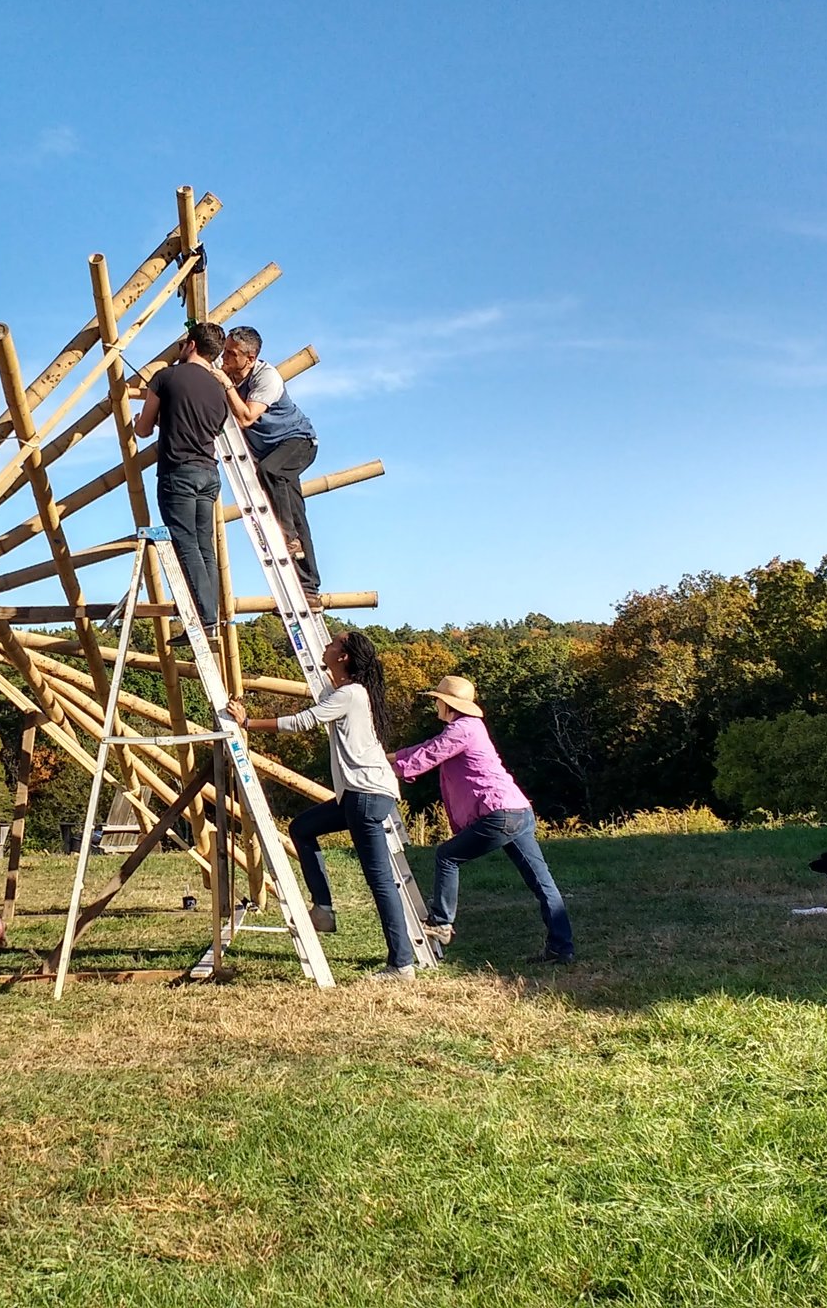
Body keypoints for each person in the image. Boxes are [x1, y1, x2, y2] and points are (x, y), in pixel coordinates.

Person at [227, 631, 419, 981]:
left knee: (379, 880)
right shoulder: (348, 692)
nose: (325, 646)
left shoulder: (349, 695)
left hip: (365, 795)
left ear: (344, 657)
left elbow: (304, 720)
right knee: (302, 828)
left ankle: (401, 964)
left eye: (332, 644)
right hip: (361, 795)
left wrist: (247, 723)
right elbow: (322, 696)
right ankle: (324, 909)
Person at [392, 675, 574, 965]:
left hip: (499, 815)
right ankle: (561, 948)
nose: (435, 704)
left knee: (447, 856)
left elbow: (428, 755)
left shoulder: (462, 730)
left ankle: (440, 921)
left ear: (448, 704)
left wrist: (386, 769)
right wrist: (391, 756)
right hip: (518, 812)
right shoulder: (467, 727)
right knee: (543, 883)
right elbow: (429, 746)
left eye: (437, 699)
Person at [132, 321, 233, 626]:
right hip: (209, 473)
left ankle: (202, 616)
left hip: (179, 473)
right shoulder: (220, 389)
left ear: (190, 345)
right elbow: (202, 426)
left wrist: (139, 420)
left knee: (185, 543)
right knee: (204, 546)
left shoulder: (166, 377)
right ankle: (210, 614)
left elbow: (145, 428)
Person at [217, 326, 323, 600]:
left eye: (232, 354)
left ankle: (288, 537)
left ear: (250, 358)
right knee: (296, 513)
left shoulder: (267, 378)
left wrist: (226, 384)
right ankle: (309, 587)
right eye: (225, 350)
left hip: (297, 441)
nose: (225, 357)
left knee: (270, 471)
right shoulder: (226, 367)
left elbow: (246, 418)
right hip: (270, 450)